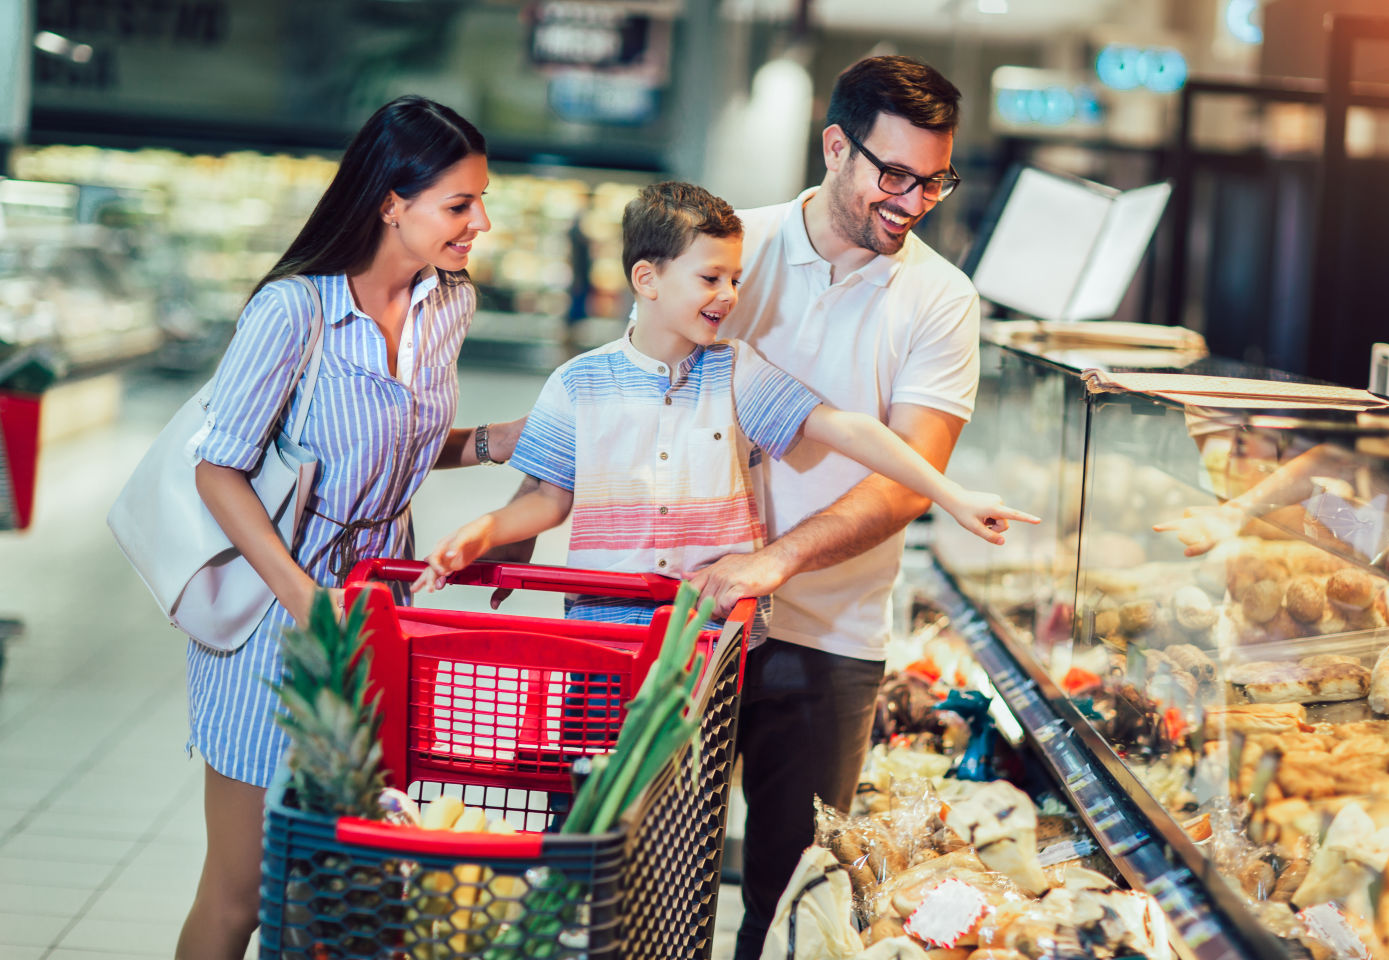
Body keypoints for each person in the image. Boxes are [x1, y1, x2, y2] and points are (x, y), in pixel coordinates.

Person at [177, 95, 522, 960]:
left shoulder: (449, 305)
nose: (481, 221)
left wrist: (486, 443)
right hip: (275, 616)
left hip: (381, 611)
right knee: (241, 892)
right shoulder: (294, 313)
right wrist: (305, 601)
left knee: (333, 881)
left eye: (481, 199)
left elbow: (390, 447)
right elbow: (218, 467)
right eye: (459, 204)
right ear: (389, 202)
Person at [675, 56, 987, 959]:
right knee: (657, 882)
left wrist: (775, 561)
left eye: (934, 180)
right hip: (689, 617)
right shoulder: (736, 250)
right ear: (835, 146)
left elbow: (905, 480)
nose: (914, 200)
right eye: (894, 175)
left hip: (834, 637)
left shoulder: (940, 299)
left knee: (794, 911)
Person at [414, 181, 1035, 619]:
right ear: (647, 278)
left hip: (709, 636)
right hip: (602, 629)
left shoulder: (736, 371)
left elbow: (847, 428)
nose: (729, 294)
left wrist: (951, 497)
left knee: (689, 803)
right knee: (595, 790)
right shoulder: (579, 382)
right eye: (711, 278)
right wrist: (480, 532)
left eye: (735, 278)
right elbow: (550, 498)